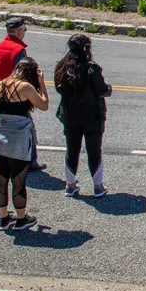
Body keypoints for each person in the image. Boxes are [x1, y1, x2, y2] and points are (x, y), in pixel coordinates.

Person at [0, 57, 49, 230]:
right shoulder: (25, 87)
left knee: (1, 180)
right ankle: (21, 218)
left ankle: (3, 218)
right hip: (18, 140)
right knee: (18, 181)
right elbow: (44, 105)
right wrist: (42, 84)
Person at [54, 34, 112, 198]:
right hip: (92, 115)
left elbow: (59, 89)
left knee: (72, 149)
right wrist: (109, 89)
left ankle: (70, 184)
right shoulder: (91, 68)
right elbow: (101, 90)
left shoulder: (62, 67)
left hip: (70, 116)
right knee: (94, 150)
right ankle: (98, 186)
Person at [0, 17, 44, 172]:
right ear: (19, 31)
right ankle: (30, 162)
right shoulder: (18, 50)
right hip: (15, 95)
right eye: (25, 30)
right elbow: (23, 75)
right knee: (28, 128)